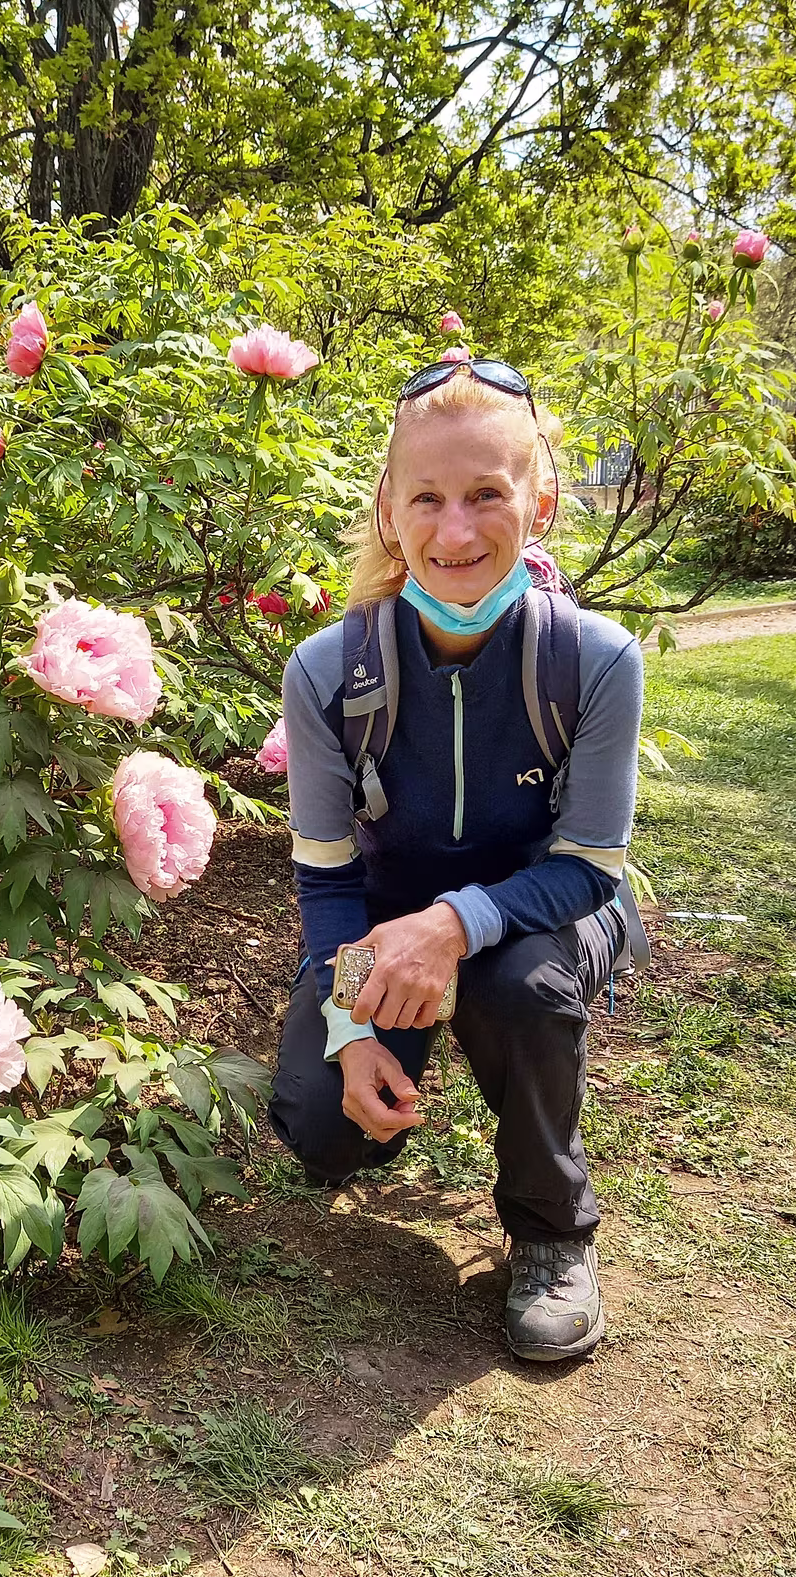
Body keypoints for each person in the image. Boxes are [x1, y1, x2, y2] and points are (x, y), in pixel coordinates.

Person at [268, 356, 645, 1361]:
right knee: (324, 1130)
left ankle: (553, 1231)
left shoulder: (596, 660)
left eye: (488, 494)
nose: (457, 530)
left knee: (517, 984)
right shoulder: (328, 670)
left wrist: (454, 926)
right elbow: (329, 876)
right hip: (386, 921)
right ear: (390, 514)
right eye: (427, 499)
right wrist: (351, 1027)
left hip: (550, 913)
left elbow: (589, 865)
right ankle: (390, 1063)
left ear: (540, 504)